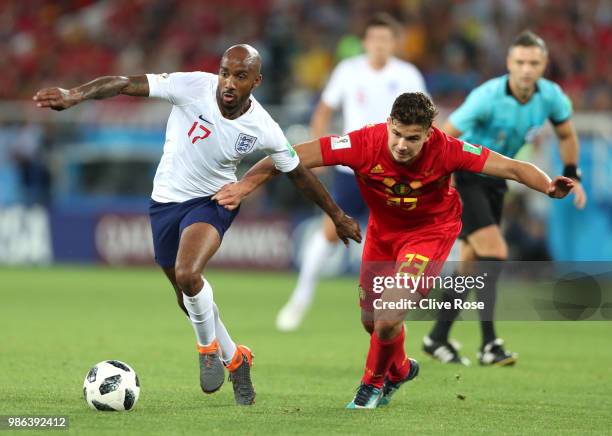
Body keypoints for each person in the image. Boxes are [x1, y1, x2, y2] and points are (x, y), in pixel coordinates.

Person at [33, 44, 361, 406]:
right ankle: (236, 358)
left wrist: (337, 214)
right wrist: (74, 94)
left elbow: (298, 172)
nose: (228, 82)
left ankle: (207, 349)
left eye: (239, 76)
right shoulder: (191, 86)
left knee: (189, 274)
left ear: (256, 81)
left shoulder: (263, 126)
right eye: (225, 72)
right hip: (164, 203)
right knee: (186, 295)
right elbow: (124, 83)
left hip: (213, 201)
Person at [214, 92, 575, 408]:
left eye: (413, 138)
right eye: (397, 134)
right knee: (372, 323)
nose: (402, 144)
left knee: (388, 316)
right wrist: (245, 186)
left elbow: (510, 167)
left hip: (429, 234)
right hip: (383, 235)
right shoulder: (360, 144)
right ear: (388, 124)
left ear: (429, 134)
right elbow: (288, 156)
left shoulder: (448, 150)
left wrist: (547, 185)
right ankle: (401, 369)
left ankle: (371, 387)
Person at [423, 30, 587, 367]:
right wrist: (434, 181)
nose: (527, 69)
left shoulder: (551, 97)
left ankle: (437, 337)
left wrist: (573, 173)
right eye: (520, 62)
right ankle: (489, 344)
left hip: (498, 181)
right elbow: (445, 135)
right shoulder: (487, 96)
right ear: (509, 64)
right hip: (466, 176)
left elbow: (567, 133)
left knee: (471, 263)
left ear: (544, 65)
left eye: (534, 63)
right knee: (495, 252)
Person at [276, 12, 427, 332]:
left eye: (386, 40)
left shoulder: (408, 74)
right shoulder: (348, 71)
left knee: (399, 240)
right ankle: (301, 297)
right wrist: (321, 152)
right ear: (366, 43)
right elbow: (324, 110)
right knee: (331, 229)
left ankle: (394, 312)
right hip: (352, 168)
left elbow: (427, 123)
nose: (380, 46)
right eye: (375, 40)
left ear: (394, 44)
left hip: (395, 170)